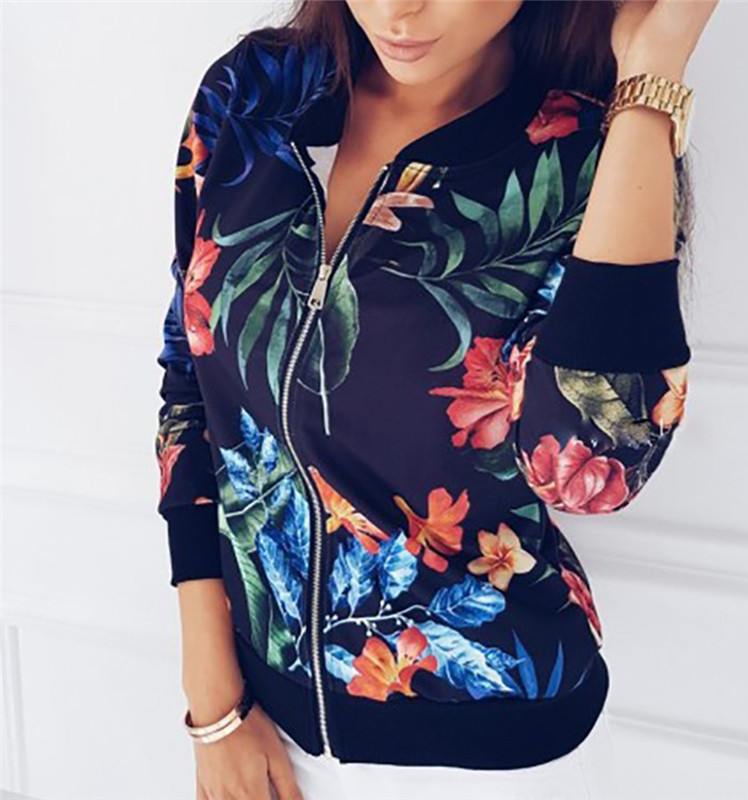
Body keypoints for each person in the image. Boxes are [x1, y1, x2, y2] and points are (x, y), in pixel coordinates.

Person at [154, 1, 719, 798]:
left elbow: (592, 472)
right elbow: (190, 374)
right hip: (261, 727)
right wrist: (212, 701)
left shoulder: (588, 157)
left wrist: (651, 80)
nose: (398, 9)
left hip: (496, 754)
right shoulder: (254, 94)